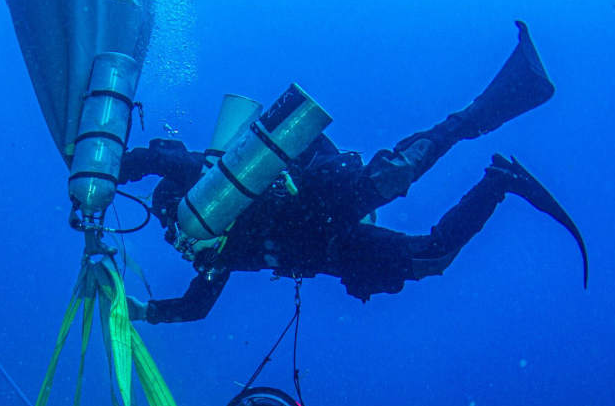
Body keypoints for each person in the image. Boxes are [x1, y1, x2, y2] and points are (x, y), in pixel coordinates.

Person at [121, 22, 588, 324]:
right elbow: (197, 307)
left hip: (320, 204)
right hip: (332, 248)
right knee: (432, 257)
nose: (174, 230)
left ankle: (505, 94)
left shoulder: (203, 185)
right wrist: (139, 311)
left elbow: (159, 161)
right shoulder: (210, 252)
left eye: (169, 219)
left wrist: (106, 174)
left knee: (404, 169)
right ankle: (499, 181)